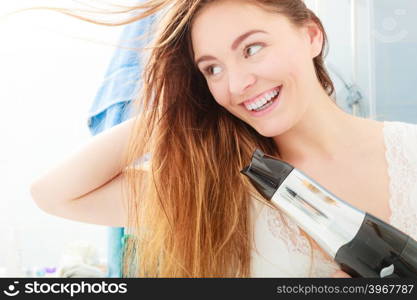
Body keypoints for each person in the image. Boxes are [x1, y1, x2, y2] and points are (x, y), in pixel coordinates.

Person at [29, 0, 417, 278]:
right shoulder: (216, 185)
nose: (236, 85)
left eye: (252, 48)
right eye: (212, 69)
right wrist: (173, 111)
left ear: (311, 35)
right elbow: (55, 194)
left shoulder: (410, 151)